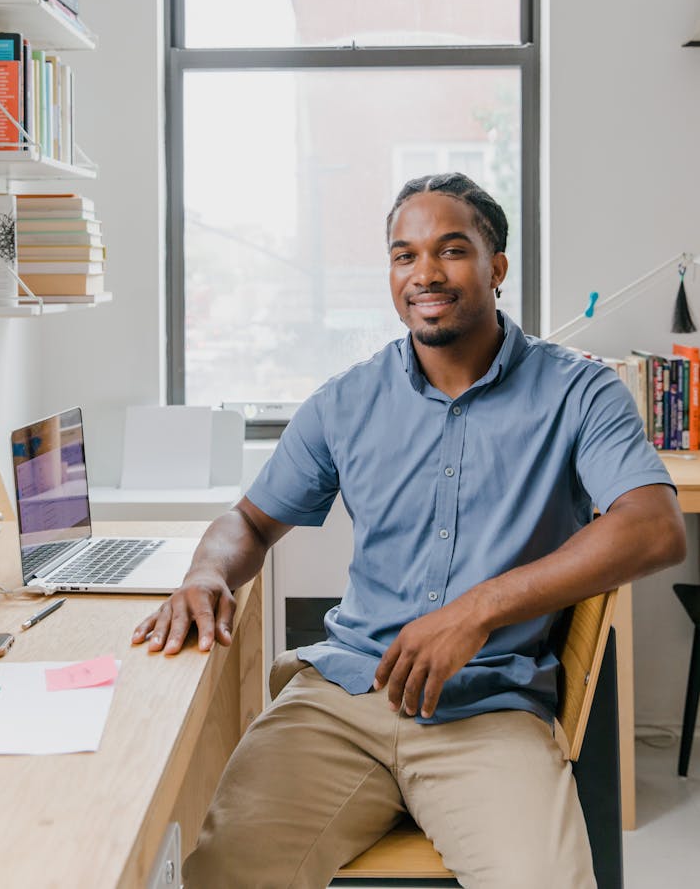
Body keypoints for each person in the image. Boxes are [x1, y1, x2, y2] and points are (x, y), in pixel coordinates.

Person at [133, 173, 686, 889]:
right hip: (342, 702)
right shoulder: (346, 400)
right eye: (404, 255)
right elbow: (247, 520)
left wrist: (476, 610)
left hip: (488, 712)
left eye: (451, 250)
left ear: (497, 267)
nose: (425, 272)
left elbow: (654, 527)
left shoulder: (578, 391)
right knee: (221, 874)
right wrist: (206, 573)